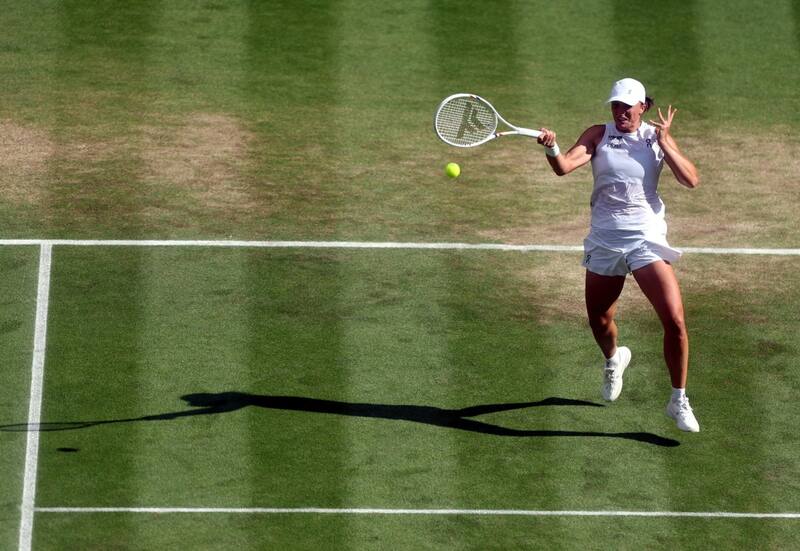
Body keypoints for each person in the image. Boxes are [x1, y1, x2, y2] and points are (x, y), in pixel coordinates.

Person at [536, 78, 701, 432]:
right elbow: (564, 166)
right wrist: (552, 147)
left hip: (646, 239)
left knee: (674, 320)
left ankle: (678, 399)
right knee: (599, 320)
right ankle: (614, 360)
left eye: (628, 106)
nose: (621, 111)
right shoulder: (598, 134)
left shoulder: (655, 140)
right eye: (616, 105)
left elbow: (691, 180)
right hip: (605, 240)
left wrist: (666, 143)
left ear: (643, 107)